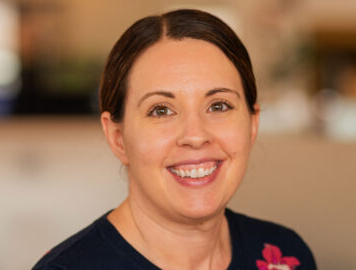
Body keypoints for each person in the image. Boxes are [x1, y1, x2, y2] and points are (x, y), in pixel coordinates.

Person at [32, 9, 317, 270]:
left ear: (253, 124)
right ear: (118, 138)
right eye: (161, 110)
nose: (195, 135)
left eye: (218, 106)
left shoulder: (286, 255)